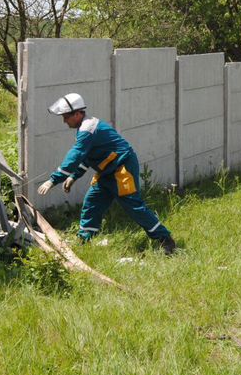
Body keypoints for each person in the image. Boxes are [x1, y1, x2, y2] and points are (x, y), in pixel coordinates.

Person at [37, 93, 177, 255]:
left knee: (134, 207)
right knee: (92, 202)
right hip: (106, 172)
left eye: (66, 117)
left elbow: (75, 156)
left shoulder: (87, 130)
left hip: (121, 169)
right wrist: (73, 177)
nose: (64, 121)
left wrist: (53, 180)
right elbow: (88, 158)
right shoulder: (85, 129)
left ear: (78, 114)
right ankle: (85, 240)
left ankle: (166, 240)